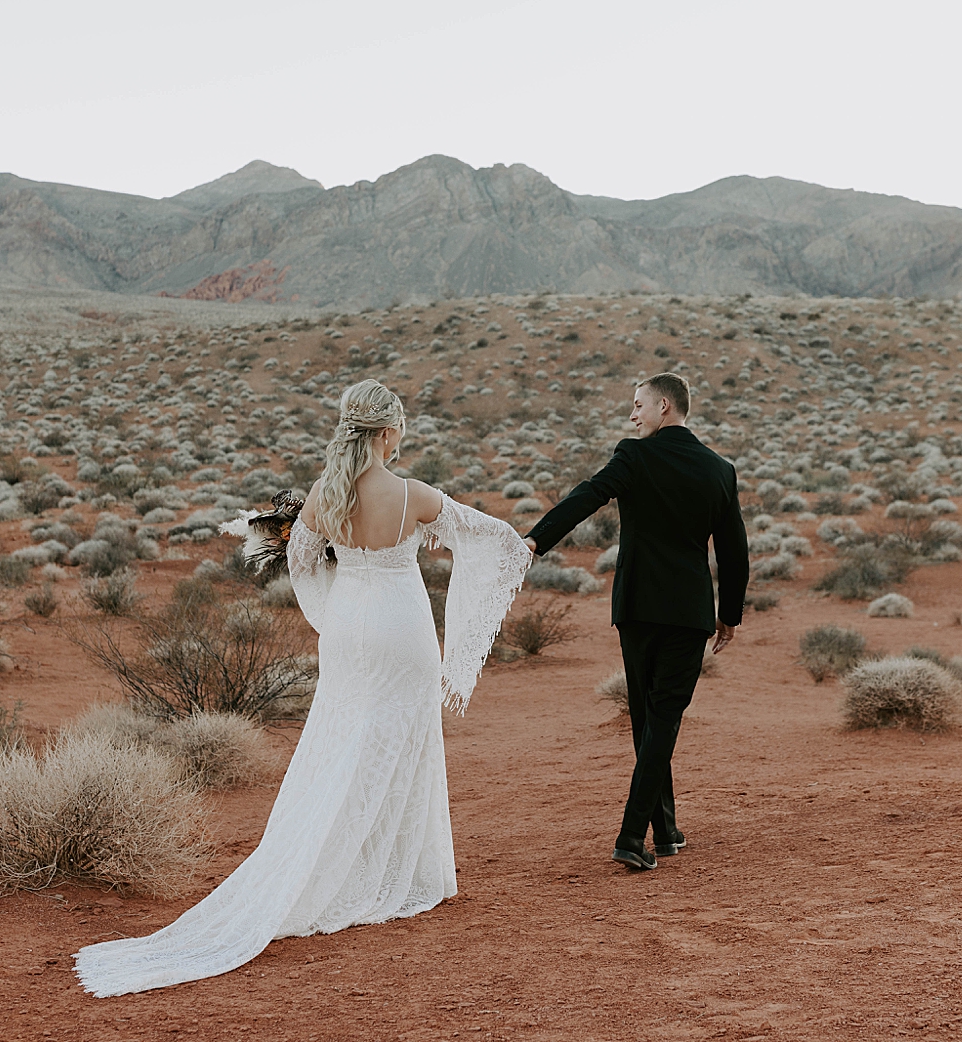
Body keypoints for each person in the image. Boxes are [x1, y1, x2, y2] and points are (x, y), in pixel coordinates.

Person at [74, 379, 532, 997]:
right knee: (401, 747)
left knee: (340, 744)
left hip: (349, 635)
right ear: (390, 433)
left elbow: (301, 563)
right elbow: (487, 539)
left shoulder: (324, 495)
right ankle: (397, 871)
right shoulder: (412, 496)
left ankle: (326, 861)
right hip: (403, 633)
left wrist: (330, 611)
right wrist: (522, 547)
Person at [522, 372, 749, 872]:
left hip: (638, 609)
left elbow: (588, 495)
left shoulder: (634, 456)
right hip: (689, 614)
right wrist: (728, 613)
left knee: (648, 718)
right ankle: (652, 831)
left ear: (664, 406)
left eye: (638, 405)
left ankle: (645, 831)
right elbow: (734, 549)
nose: (632, 415)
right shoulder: (719, 470)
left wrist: (535, 542)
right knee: (661, 719)